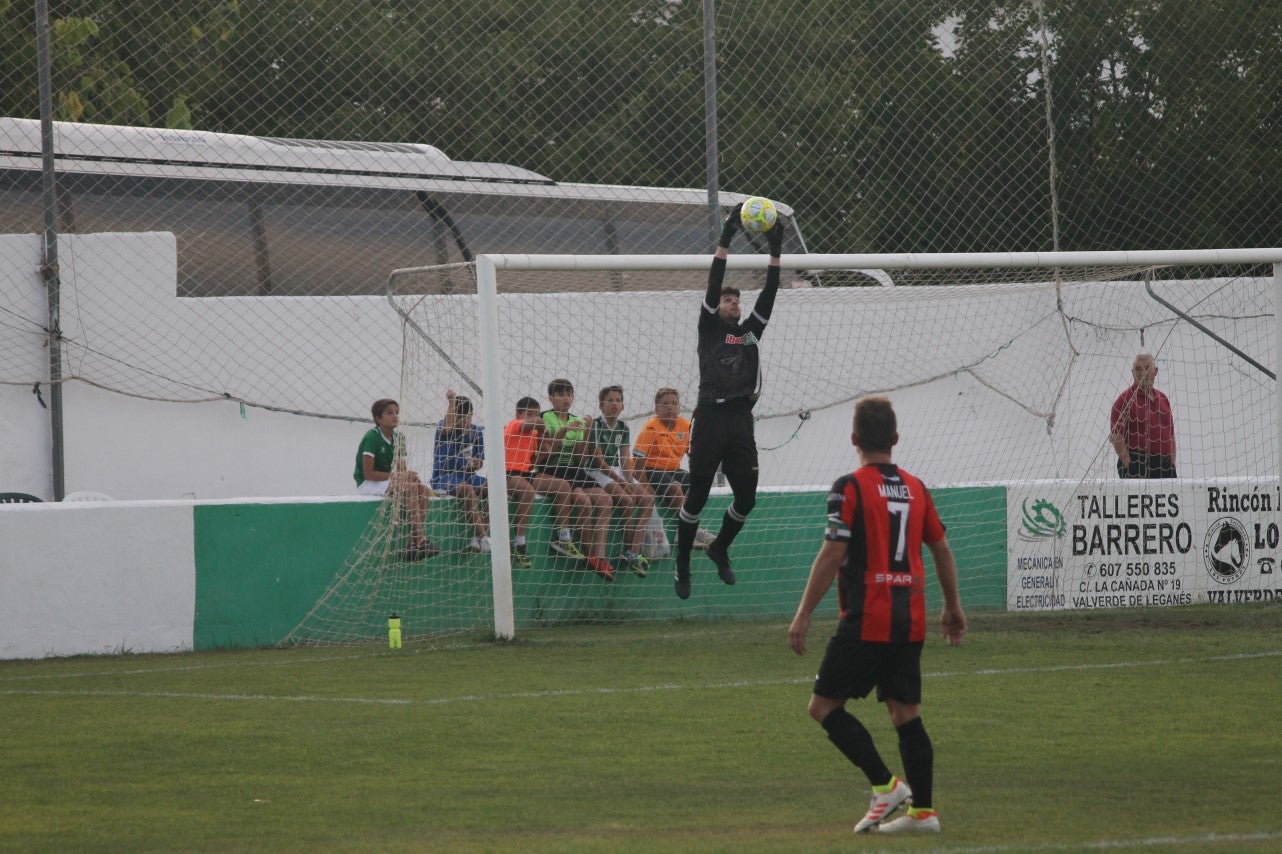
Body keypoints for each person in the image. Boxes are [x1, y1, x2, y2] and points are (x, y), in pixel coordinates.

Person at [787, 396, 966, 835]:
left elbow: (833, 553)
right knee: (906, 713)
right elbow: (941, 549)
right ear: (896, 439)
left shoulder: (848, 486)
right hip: (910, 619)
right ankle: (924, 813)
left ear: (853, 440)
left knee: (824, 706)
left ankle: (885, 786)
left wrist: (803, 614)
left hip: (867, 617)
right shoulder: (916, 487)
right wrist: (953, 607)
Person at [671, 204, 786, 599]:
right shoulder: (708, 329)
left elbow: (769, 293)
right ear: (716, 307)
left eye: (736, 300)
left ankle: (719, 547)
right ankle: (683, 562)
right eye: (726, 301)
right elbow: (714, 279)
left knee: (747, 496)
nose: (733, 303)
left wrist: (776, 251)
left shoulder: (751, 332)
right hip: (710, 417)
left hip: (740, 421)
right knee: (698, 494)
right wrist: (727, 235)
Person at [542, 378, 616, 581]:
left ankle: (600, 555)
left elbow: (581, 459)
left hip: (573, 470)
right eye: (560, 394)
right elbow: (544, 456)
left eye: (569, 394)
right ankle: (587, 554)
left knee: (605, 500)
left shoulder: (577, 420)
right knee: (583, 501)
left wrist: (586, 433)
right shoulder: (545, 419)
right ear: (551, 398)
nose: (566, 398)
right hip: (553, 470)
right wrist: (564, 432)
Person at [354, 398, 440, 561]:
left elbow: (401, 470)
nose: (395, 416)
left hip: (386, 482)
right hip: (368, 484)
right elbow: (368, 474)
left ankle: (412, 544)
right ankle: (420, 539)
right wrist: (398, 477)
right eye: (389, 413)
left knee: (421, 489)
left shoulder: (399, 437)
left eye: (397, 413)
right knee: (409, 488)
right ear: (378, 419)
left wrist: (410, 476)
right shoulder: (372, 437)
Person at [503, 396, 580, 569]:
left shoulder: (534, 435)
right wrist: (544, 431)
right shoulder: (513, 425)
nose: (533, 418)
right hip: (506, 473)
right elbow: (538, 421)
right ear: (518, 414)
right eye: (529, 414)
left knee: (563, 486)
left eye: (535, 414)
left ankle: (563, 537)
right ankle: (520, 544)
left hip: (525, 473)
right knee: (528, 491)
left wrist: (561, 433)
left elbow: (539, 459)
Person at [588, 385, 655, 576]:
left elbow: (625, 459)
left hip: (615, 470)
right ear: (601, 405)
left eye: (618, 400)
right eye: (610, 400)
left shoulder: (622, 428)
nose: (614, 404)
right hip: (596, 471)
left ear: (623, 406)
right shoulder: (596, 426)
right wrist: (622, 482)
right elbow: (599, 462)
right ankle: (627, 550)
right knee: (626, 499)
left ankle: (633, 552)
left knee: (648, 500)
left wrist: (629, 480)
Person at [431, 390, 493, 554]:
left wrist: (475, 463)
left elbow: (479, 460)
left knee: (493, 489)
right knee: (466, 490)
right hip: (445, 477)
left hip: (468, 476)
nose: (465, 421)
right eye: (460, 417)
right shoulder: (444, 428)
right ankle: (483, 538)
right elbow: (448, 458)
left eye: (469, 416)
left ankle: (477, 538)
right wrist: (451, 401)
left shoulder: (476, 431)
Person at [1109, 352, 1177, 479]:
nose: (1142, 373)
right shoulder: (1124, 400)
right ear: (1132, 372)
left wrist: (1172, 462)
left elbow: (1171, 434)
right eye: (1138, 369)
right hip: (1138, 464)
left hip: (1165, 467)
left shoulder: (1163, 399)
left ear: (1155, 371)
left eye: (1147, 368)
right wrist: (1129, 464)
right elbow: (1116, 435)